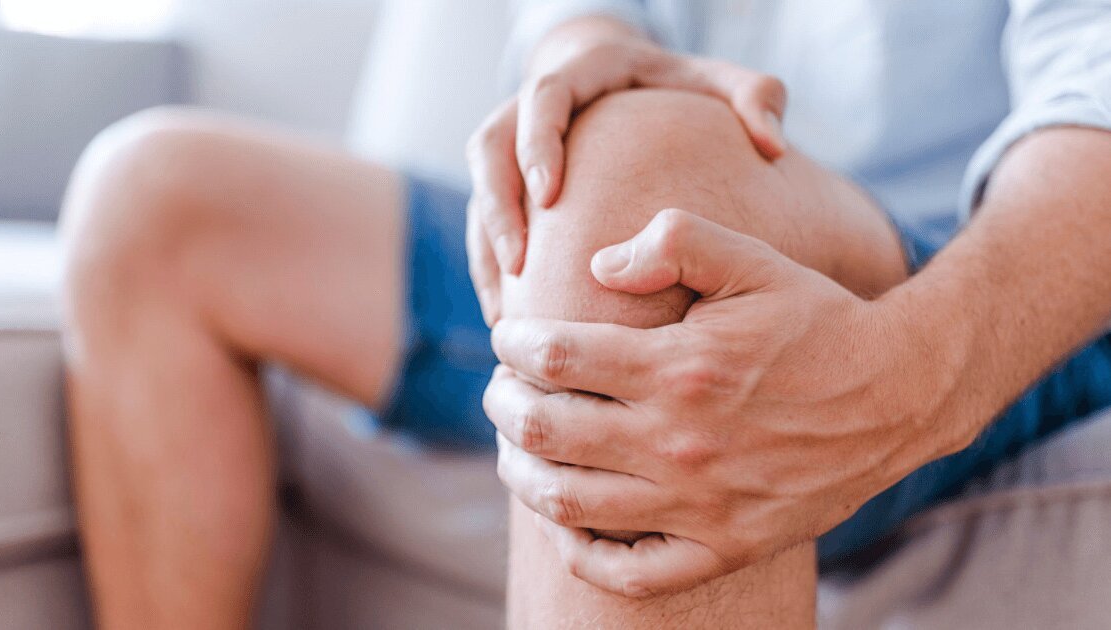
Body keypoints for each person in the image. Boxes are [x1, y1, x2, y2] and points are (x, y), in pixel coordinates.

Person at [57, 4, 1111, 630]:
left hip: (985, 257)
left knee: (643, 215)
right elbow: (590, 17)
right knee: (149, 199)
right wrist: (584, 59)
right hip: (693, 175)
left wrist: (912, 369)